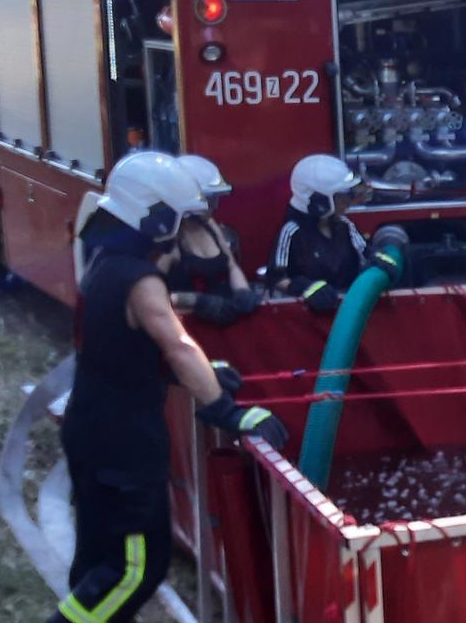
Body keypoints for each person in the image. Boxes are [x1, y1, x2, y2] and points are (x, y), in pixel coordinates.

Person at [51, 152, 286, 623]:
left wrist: (200, 372)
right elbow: (177, 344)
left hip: (91, 432)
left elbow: (132, 350)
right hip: (124, 448)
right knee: (136, 569)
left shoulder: (104, 262)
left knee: (98, 556)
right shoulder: (140, 281)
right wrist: (226, 409)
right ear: (154, 217)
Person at [268, 154, 372, 313]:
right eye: (341, 197)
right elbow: (276, 278)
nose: (347, 203)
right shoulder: (292, 232)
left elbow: (366, 254)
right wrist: (306, 288)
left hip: (349, 312)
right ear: (319, 201)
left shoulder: (345, 226)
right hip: (310, 319)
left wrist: (380, 258)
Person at [162, 155, 258, 326]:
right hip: (191, 329)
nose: (213, 206)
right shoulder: (167, 239)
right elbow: (153, 298)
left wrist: (243, 291)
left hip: (227, 323)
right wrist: (198, 302)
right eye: (208, 199)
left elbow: (231, 265)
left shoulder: (209, 224)